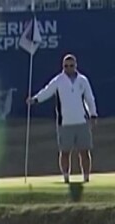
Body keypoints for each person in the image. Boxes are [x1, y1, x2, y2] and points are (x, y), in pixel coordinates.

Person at [28, 53, 98, 184]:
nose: (69, 68)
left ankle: (86, 177)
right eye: (66, 66)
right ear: (63, 66)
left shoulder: (83, 80)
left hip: (81, 121)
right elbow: (47, 91)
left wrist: (93, 114)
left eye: (71, 65)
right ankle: (66, 177)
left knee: (84, 151)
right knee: (65, 152)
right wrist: (35, 99)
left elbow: (89, 98)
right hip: (64, 123)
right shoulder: (58, 80)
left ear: (76, 65)